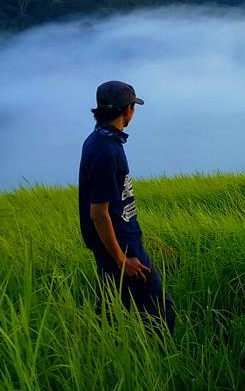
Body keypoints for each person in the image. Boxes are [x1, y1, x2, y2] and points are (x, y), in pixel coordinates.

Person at [78, 80, 175, 333]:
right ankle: (159, 364)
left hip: (115, 246)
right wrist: (122, 259)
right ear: (127, 110)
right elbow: (98, 213)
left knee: (112, 312)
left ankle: (106, 352)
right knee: (161, 314)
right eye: (133, 106)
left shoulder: (98, 139)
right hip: (123, 248)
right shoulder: (106, 151)